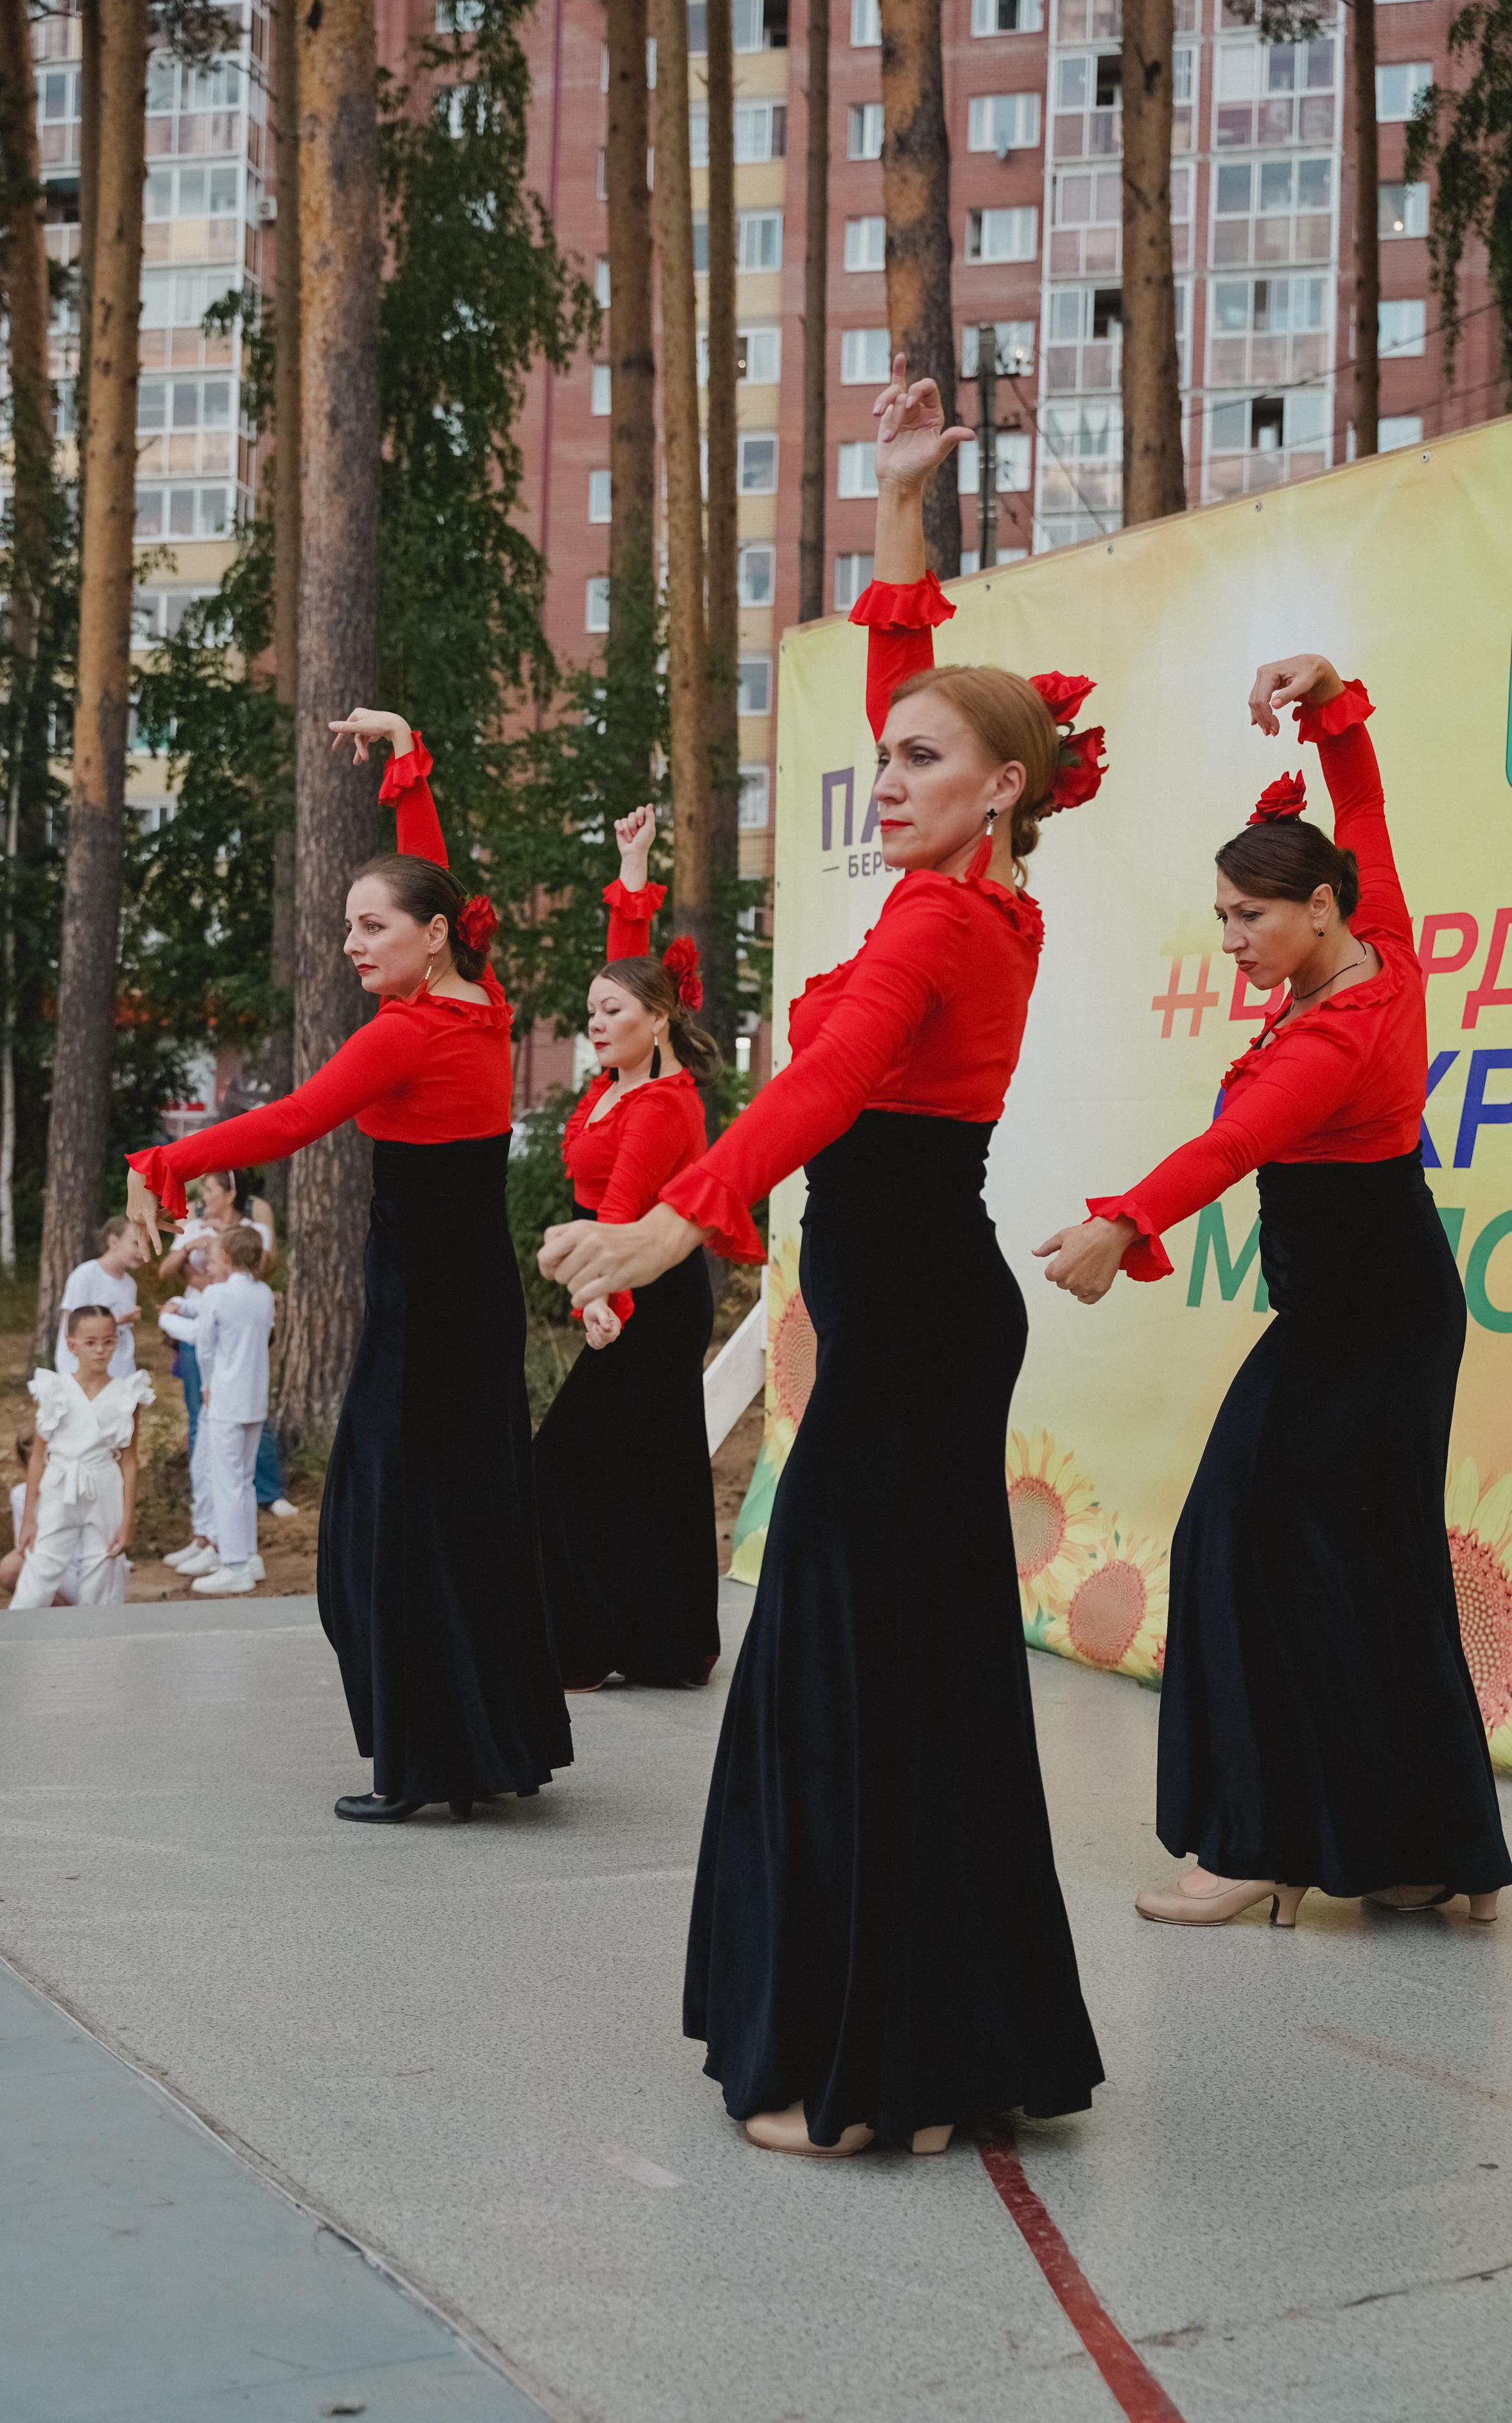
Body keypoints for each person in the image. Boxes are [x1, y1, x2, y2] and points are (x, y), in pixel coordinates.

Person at [540, 361, 1108, 2157]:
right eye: (887, 759)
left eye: (923, 764)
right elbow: (908, 685)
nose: (888, 780)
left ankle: (882, 2083)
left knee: (849, 1671)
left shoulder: (941, 927)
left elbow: (831, 1084)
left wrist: (673, 1210)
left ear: (1002, 786)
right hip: (921, 1300)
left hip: (920, 1311)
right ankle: (933, 2045)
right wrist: (897, 508)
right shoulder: (977, 891)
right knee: (908, 1669)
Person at [1036, 654, 1509, 1931]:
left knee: (1232, 1545)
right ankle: (1427, 1854)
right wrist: (1330, 705)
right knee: (1363, 1566)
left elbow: (1227, 1150)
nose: (1232, 940)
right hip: (1380, 1311)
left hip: (1357, 1326)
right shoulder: (1384, 953)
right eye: (1222, 918)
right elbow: (1361, 818)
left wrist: (1117, 1221)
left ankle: (1257, 1844)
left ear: (1312, 912)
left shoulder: (1333, 1039)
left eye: (1249, 918)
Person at [126, 708, 570, 1823]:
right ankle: (479, 1750)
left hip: (421, 1308)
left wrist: (163, 1158)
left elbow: (289, 1122)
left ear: (429, 937)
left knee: (380, 1537)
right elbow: (440, 882)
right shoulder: (483, 1006)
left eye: (373, 926)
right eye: (347, 928)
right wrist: (408, 757)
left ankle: (425, 1767)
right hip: (477, 1301)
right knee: (460, 1518)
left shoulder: (408, 1033)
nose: (354, 945)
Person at [532, 806, 723, 1690]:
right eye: (590, 1012)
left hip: (650, 1287)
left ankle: (589, 1643)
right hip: (625, 1280)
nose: (595, 1023)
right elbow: (628, 970)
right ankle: (659, 1642)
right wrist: (635, 866)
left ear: (657, 1018)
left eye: (610, 1013)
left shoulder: (659, 1104)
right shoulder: (624, 1074)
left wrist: (599, 1297)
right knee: (647, 1467)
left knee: (576, 1462)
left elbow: (620, 1207)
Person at [158, 1171, 295, 1519]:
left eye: (208, 1189)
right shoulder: (194, 1225)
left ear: (230, 1194)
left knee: (250, 1414)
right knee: (199, 1411)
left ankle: (267, 1490)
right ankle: (206, 1499)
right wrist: (190, 1248)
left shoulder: (253, 1232)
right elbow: (165, 1270)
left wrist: (224, 1243)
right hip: (200, 1316)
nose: (202, 1197)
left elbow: (256, 1270)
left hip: (237, 1326)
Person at [156, 1222, 274, 1595]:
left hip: (225, 1397)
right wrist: (186, 1308)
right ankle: (249, 1555)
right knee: (244, 1481)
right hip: (254, 1398)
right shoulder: (265, 1294)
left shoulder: (217, 1297)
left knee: (226, 1481)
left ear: (224, 1258)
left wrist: (166, 1318)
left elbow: (203, 1343)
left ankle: (234, 1563)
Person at [10, 1308, 152, 1610]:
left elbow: (128, 1460)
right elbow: (38, 1456)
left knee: (100, 1571)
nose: (100, 1350)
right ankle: (18, 1641)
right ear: (72, 1345)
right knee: (41, 1567)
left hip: (104, 1485)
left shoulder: (127, 1394)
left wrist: (127, 1520)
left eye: (108, 1342)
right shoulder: (54, 1390)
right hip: (60, 1483)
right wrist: (29, 1517)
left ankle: (97, 1647)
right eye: (91, 1343)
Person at [0, 1431, 87, 1606]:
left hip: (77, 1567)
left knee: (13, 1568)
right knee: (10, 1569)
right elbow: (24, 1547)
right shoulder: (20, 1495)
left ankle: (74, 1612)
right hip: (46, 1561)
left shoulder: (74, 1490)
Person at [54, 1217, 148, 1377]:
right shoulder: (86, 1275)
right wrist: (117, 1321)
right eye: (136, 1243)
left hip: (119, 1368)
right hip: (83, 1371)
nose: (143, 1252)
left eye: (147, 1245)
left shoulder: (130, 1284)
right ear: (113, 1242)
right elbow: (71, 1328)